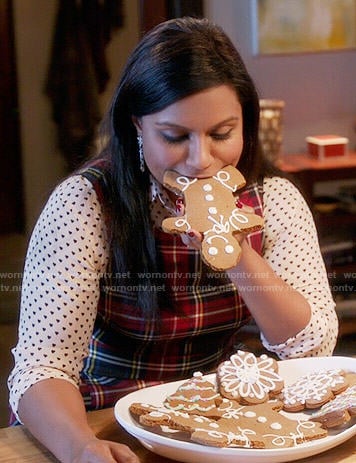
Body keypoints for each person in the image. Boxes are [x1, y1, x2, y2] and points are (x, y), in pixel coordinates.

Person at [8, 16, 338, 463]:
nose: (201, 159)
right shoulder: (84, 205)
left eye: (222, 134)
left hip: (217, 422)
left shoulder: (275, 200)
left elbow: (311, 347)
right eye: (175, 136)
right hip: (100, 419)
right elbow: (40, 369)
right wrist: (81, 447)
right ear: (137, 127)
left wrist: (237, 251)